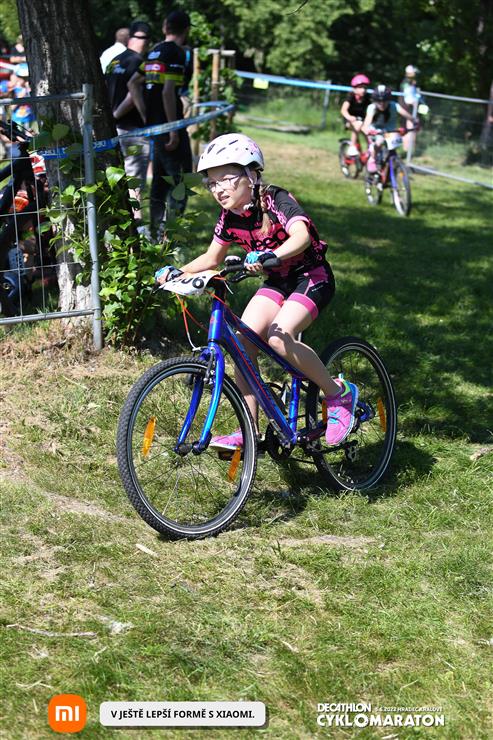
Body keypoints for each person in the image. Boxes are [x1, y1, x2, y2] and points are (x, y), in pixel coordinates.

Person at [155, 133, 359, 450]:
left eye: (226, 179)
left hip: (311, 276)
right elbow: (212, 258)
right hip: (277, 282)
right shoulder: (229, 217)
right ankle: (248, 430)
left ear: (251, 175)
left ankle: (338, 394)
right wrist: (177, 272)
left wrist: (272, 254)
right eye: (212, 183)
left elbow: (301, 235)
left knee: (279, 337)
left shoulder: (276, 199)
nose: (218, 189)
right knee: (243, 343)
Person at [128, 9, 193, 237]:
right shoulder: (176, 53)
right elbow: (168, 92)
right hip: (170, 128)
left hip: (155, 128)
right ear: (186, 30)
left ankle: (157, 234)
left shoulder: (154, 51)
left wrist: (147, 116)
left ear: (165, 27)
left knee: (159, 183)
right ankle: (171, 237)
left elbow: (133, 83)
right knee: (180, 182)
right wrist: (173, 130)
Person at [105, 20, 151, 221]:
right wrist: (146, 117)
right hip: (132, 130)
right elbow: (133, 95)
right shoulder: (139, 62)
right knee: (134, 180)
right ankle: (137, 223)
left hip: (113, 130)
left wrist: (111, 118)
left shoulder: (114, 61)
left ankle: (120, 221)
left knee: (116, 177)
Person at [362, 84, 416, 173]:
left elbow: (407, 115)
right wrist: (367, 130)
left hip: (390, 131)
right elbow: (366, 124)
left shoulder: (394, 106)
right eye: (379, 101)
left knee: (394, 146)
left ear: (389, 100)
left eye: (385, 101)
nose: (382, 103)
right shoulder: (372, 108)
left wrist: (415, 121)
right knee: (379, 142)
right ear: (375, 101)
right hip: (375, 131)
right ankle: (372, 159)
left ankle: (390, 165)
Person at [340, 74, 371, 156]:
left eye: (365, 88)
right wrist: (349, 117)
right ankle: (352, 146)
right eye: (360, 87)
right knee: (358, 125)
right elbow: (343, 110)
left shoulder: (367, 98)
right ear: (354, 89)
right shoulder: (350, 97)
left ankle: (370, 148)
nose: (363, 90)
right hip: (349, 121)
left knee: (368, 131)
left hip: (362, 121)